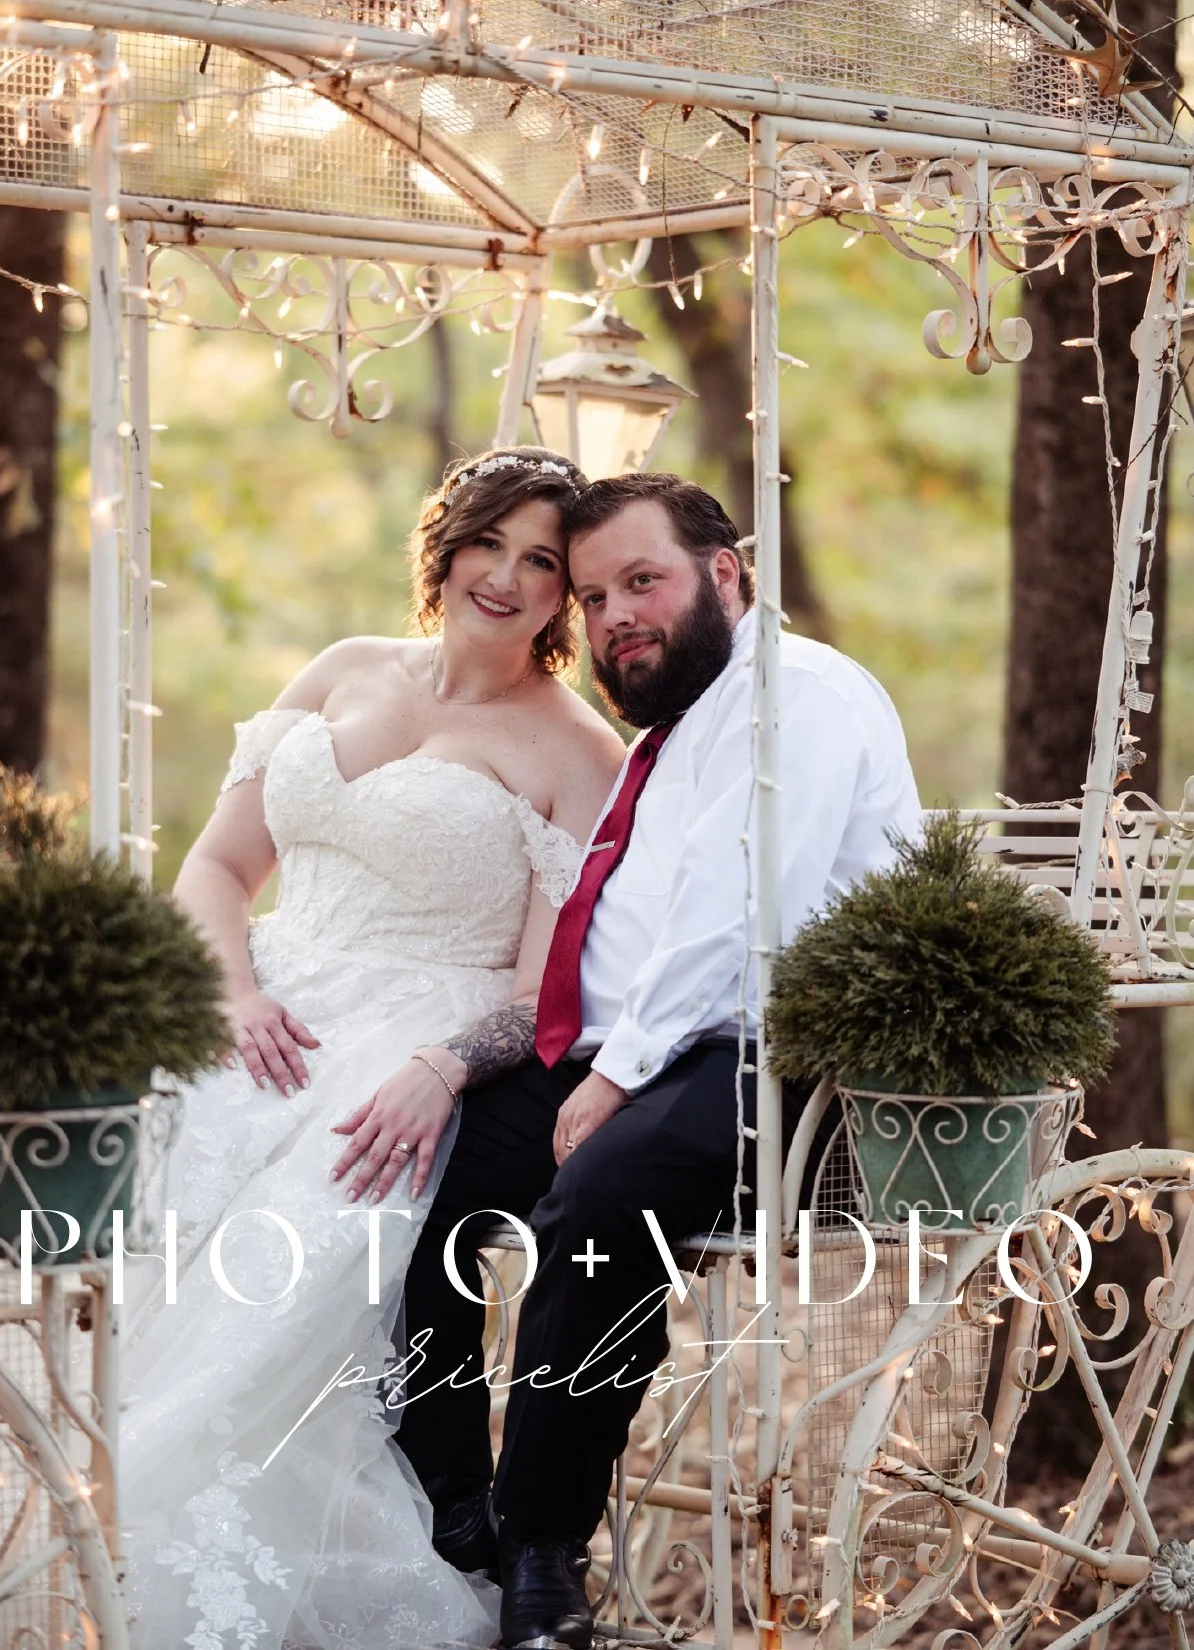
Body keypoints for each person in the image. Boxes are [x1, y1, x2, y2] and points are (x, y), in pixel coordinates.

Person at [387, 472, 923, 1650]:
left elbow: (741, 919)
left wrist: (613, 1076)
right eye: (592, 596)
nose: (616, 615)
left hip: (792, 1064)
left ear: (725, 573)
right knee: (415, 1165)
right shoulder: (680, 726)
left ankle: (541, 1554)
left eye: (645, 580)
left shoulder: (802, 698)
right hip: (643, 1052)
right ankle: (449, 1509)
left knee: (604, 1194)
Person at [117, 448, 626, 1650]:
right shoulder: (344, 667)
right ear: (444, 545)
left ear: (566, 597)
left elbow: (545, 995)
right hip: (266, 1003)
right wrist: (235, 994)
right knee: (132, 1193)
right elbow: (215, 868)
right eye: (488, 543)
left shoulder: (577, 751)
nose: (504, 577)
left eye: (542, 562)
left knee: (298, 1258)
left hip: (419, 1040)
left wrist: (441, 1067)